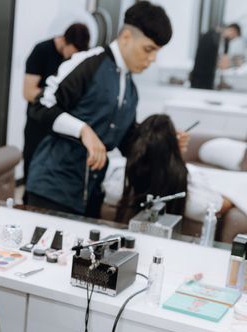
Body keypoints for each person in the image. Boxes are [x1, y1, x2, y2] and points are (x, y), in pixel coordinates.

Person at [24, 1, 185, 219]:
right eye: (149, 49)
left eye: (157, 52)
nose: (152, 59)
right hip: (52, 187)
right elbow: (41, 106)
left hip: (91, 195)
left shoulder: (130, 89)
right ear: (127, 37)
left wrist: (165, 143)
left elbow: (128, 142)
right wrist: (83, 130)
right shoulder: (87, 64)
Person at [105, 114, 232, 223]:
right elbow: (223, 205)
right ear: (173, 149)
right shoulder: (195, 200)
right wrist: (174, 157)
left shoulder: (114, 186)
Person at [22, 23, 91, 184]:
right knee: (32, 172)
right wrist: (55, 98)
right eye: (71, 54)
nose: (73, 59)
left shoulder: (82, 57)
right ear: (64, 41)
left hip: (61, 127)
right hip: (38, 123)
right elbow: (28, 92)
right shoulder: (41, 51)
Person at [190, 23, 243, 90]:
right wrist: (232, 63)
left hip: (204, 81)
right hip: (201, 82)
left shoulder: (219, 39)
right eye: (234, 36)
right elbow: (214, 62)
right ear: (233, 30)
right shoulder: (212, 38)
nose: (232, 39)